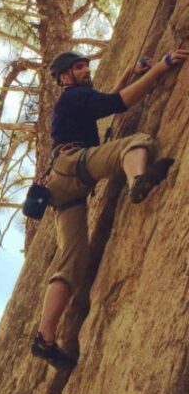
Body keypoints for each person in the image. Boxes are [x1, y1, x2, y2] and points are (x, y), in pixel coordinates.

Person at [30, 46, 189, 369]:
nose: (86, 70)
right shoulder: (72, 97)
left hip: (62, 188)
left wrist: (130, 73)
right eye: (78, 68)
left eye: (86, 66)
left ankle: (44, 339)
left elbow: (104, 104)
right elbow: (119, 104)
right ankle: (138, 182)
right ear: (64, 77)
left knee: (72, 263)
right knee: (135, 142)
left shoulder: (74, 101)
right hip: (74, 166)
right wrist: (162, 67)